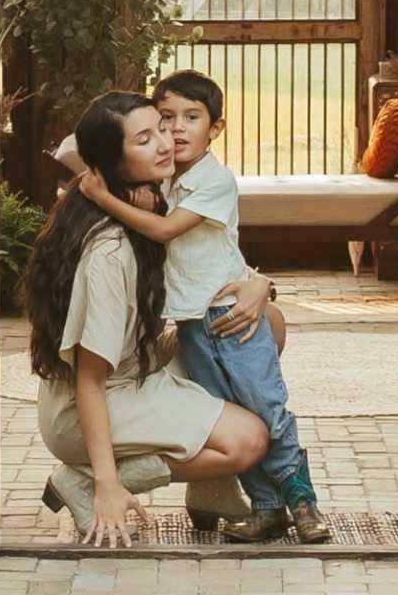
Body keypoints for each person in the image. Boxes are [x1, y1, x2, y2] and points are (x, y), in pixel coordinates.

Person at [72, 67, 329, 546]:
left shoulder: (213, 182)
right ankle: (268, 510)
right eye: (165, 118)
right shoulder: (166, 181)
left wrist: (104, 197)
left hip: (230, 317)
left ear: (216, 129)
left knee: (267, 408)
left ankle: (304, 502)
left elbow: (165, 232)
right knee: (237, 412)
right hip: (193, 325)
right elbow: (87, 151)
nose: (176, 129)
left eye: (192, 117)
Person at [23, 90, 270, 548]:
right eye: (144, 139)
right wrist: (106, 482)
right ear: (112, 163)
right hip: (89, 406)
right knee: (247, 441)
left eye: (161, 127)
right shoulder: (109, 251)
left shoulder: (148, 207)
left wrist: (260, 284)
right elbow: (90, 382)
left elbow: (210, 264)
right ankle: (86, 483)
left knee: (265, 324)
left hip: (136, 368)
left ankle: (211, 490)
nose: (166, 141)